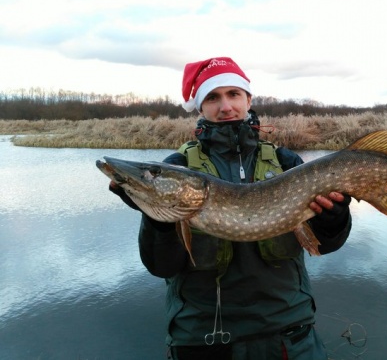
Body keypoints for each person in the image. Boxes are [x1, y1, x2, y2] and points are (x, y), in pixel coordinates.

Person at [110, 57, 352, 360]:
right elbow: (161, 267)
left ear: (248, 100)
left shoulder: (286, 162)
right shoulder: (178, 167)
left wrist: (334, 219)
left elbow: (325, 245)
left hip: (289, 335)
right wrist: (159, 222)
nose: (225, 107)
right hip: (204, 340)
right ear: (201, 107)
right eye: (213, 97)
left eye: (233, 94)